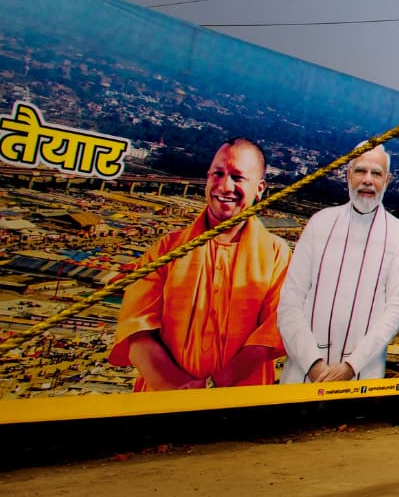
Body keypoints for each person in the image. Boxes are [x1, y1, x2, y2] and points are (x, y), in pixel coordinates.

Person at [109, 138, 291, 391]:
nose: (225, 186)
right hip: (160, 402)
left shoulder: (276, 255)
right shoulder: (167, 249)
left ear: (260, 188)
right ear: (207, 178)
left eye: (238, 178)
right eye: (218, 174)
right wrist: (176, 388)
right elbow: (137, 331)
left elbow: (272, 333)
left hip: (239, 404)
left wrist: (214, 386)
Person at [277, 144, 399, 384]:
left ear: (387, 180)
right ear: (348, 175)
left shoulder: (397, 233)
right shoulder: (320, 223)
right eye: (360, 171)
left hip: (362, 375)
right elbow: (290, 303)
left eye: (376, 173)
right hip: (303, 374)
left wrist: (351, 366)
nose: (368, 180)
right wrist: (314, 365)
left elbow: (395, 308)